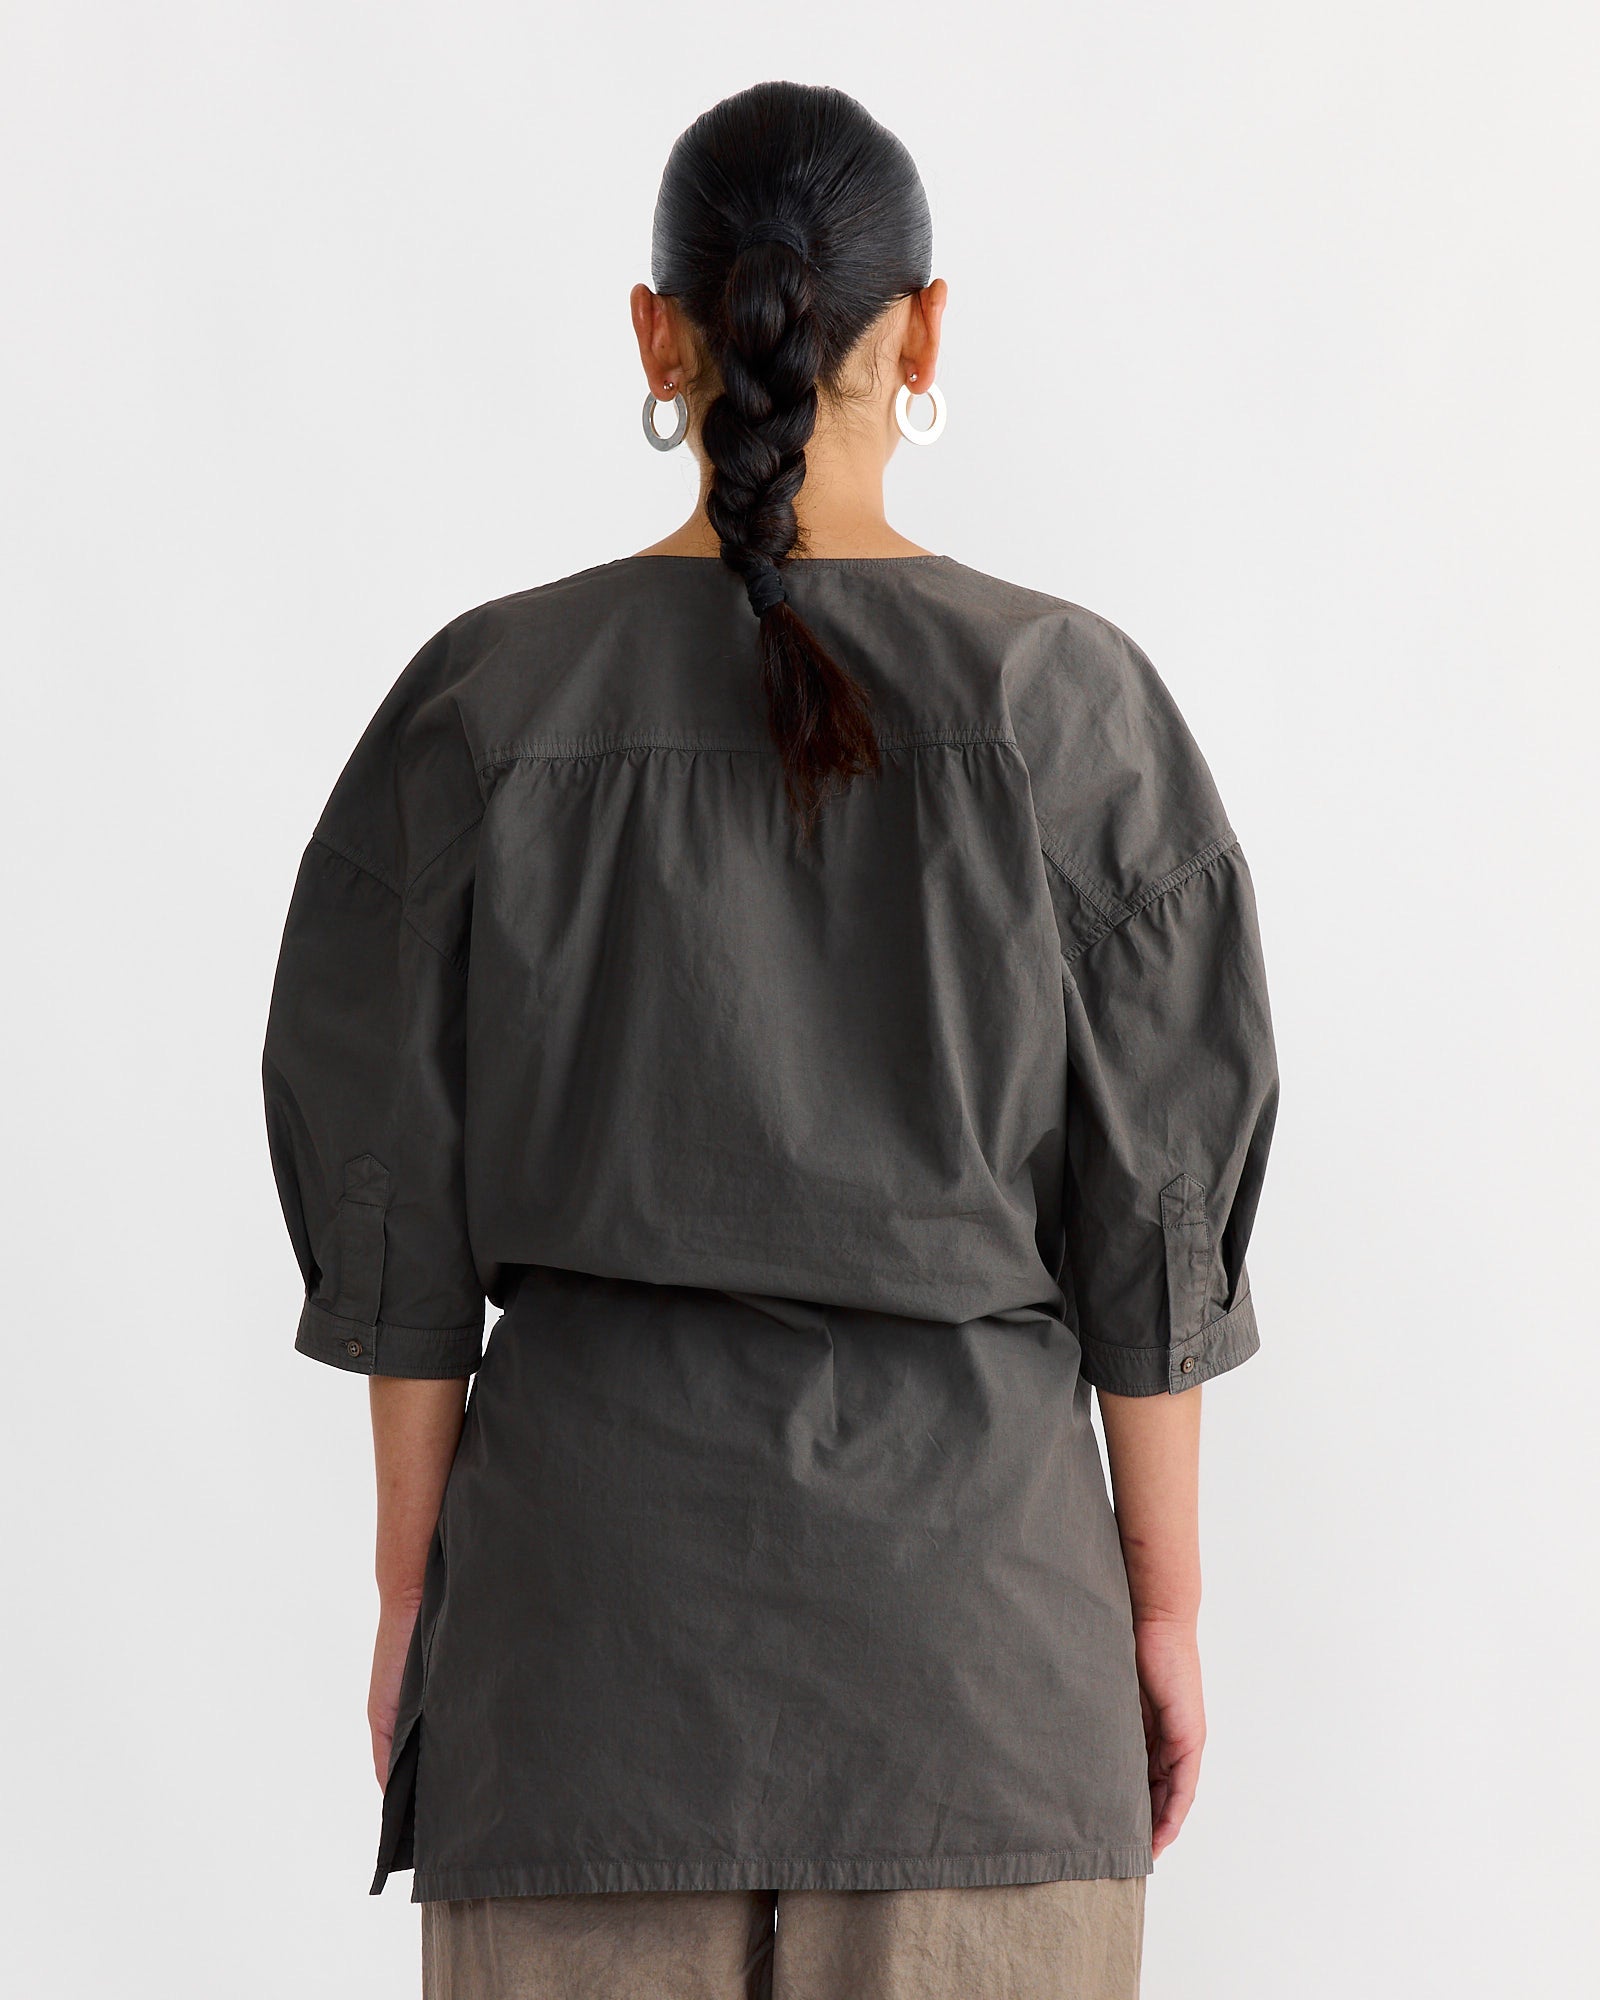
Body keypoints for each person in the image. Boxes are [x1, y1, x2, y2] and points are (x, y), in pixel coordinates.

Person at [261, 78, 1279, 2000]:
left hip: (574, 1680)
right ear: (928, 331)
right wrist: (1166, 1612)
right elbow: (1157, 1232)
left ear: (657, 334)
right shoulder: (1072, 707)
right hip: (981, 1682)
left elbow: (392, 1222)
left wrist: (411, 1594)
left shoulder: (483, 706)